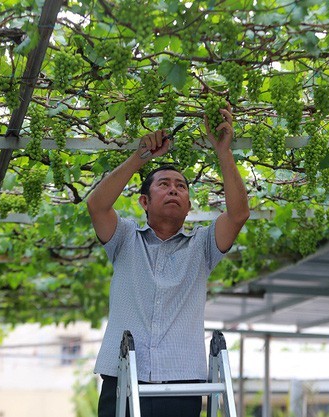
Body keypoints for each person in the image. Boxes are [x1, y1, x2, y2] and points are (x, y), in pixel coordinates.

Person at [86, 103, 249, 417]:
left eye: (181, 187)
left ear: (188, 206)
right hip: (123, 377)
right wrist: (140, 157)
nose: (174, 189)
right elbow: (97, 206)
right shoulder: (124, 239)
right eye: (164, 184)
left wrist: (223, 151)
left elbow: (239, 214)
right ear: (144, 201)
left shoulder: (202, 246)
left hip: (182, 383)